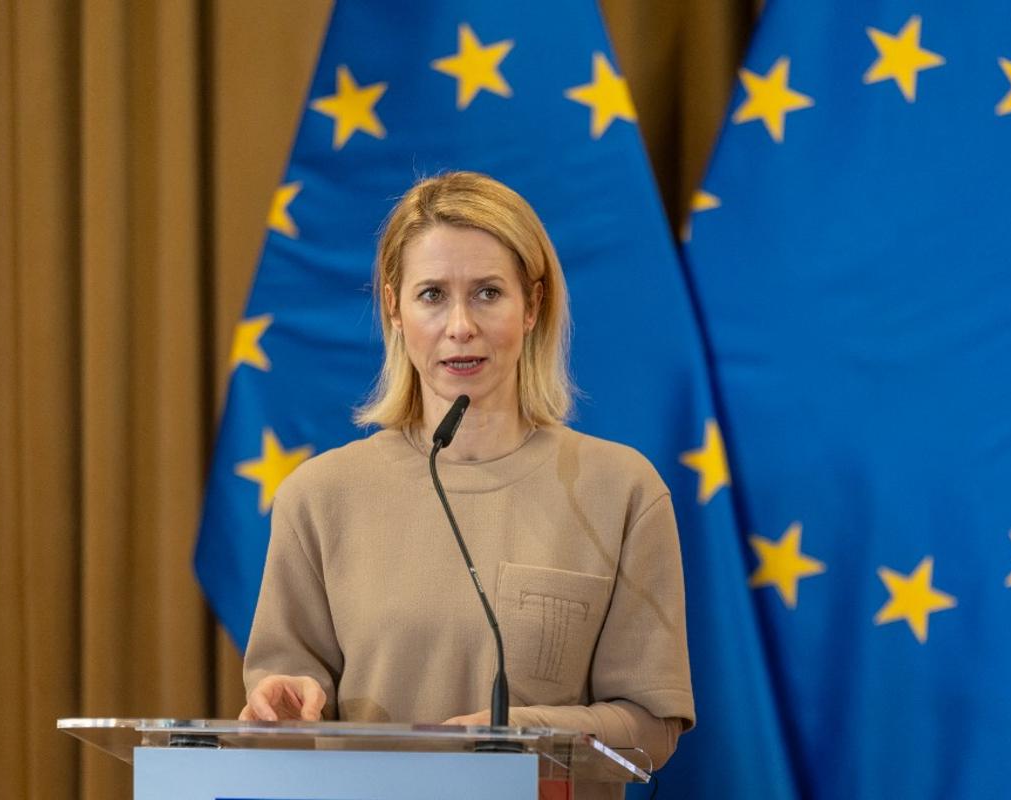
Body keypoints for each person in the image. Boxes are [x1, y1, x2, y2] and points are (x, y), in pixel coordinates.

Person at [239, 171, 694, 793]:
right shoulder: (318, 496)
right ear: (394, 308)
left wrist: (516, 735)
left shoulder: (621, 490)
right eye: (432, 294)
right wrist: (285, 703)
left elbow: (650, 727)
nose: (460, 326)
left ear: (532, 306)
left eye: (487, 293)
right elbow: (286, 695)